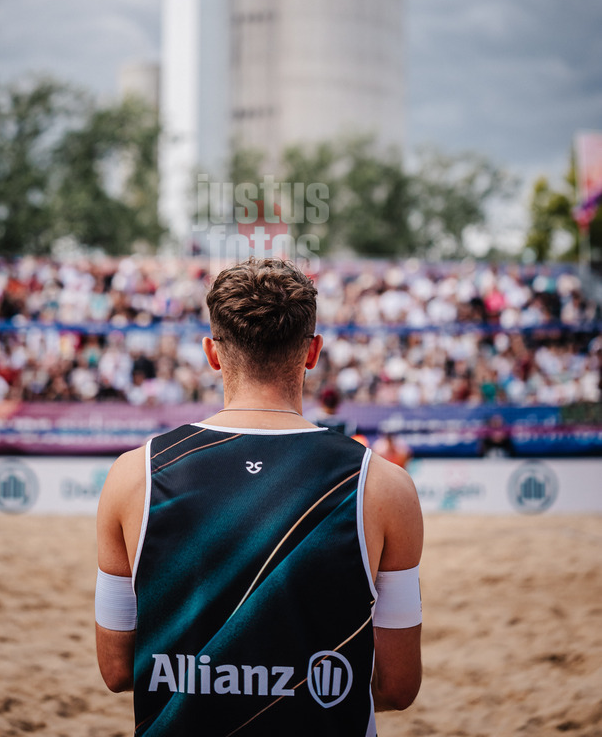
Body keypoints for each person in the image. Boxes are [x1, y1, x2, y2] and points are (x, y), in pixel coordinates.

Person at [95, 258, 423, 736]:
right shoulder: (384, 485)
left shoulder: (133, 475)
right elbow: (397, 687)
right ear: (312, 352)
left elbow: (117, 670)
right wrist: (296, 690)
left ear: (211, 353)